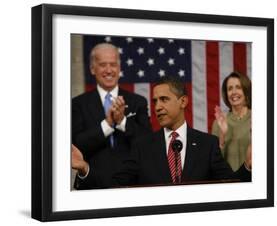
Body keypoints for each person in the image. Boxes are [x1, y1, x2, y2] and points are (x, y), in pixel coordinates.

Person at [72, 76, 251, 189]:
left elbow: (231, 186)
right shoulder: (142, 146)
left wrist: (248, 166)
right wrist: (85, 168)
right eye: (155, 101)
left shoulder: (207, 144)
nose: (157, 107)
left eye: (164, 99)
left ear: (183, 101)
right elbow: (115, 185)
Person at [72, 43, 152, 188]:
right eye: (103, 65)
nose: (109, 70)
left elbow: (148, 142)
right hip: (92, 184)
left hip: (131, 185)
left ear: (119, 68)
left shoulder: (138, 102)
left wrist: (122, 121)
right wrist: (108, 124)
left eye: (113, 65)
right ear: (92, 69)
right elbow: (77, 145)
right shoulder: (77, 104)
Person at [212, 71, 251, 171]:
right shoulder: (219, 122)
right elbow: (214, 162)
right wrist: (222, 135)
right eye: (230, 89)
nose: (233, 92)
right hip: (229, 181)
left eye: (238, 87)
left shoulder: (260, 118)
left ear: (246, 90)